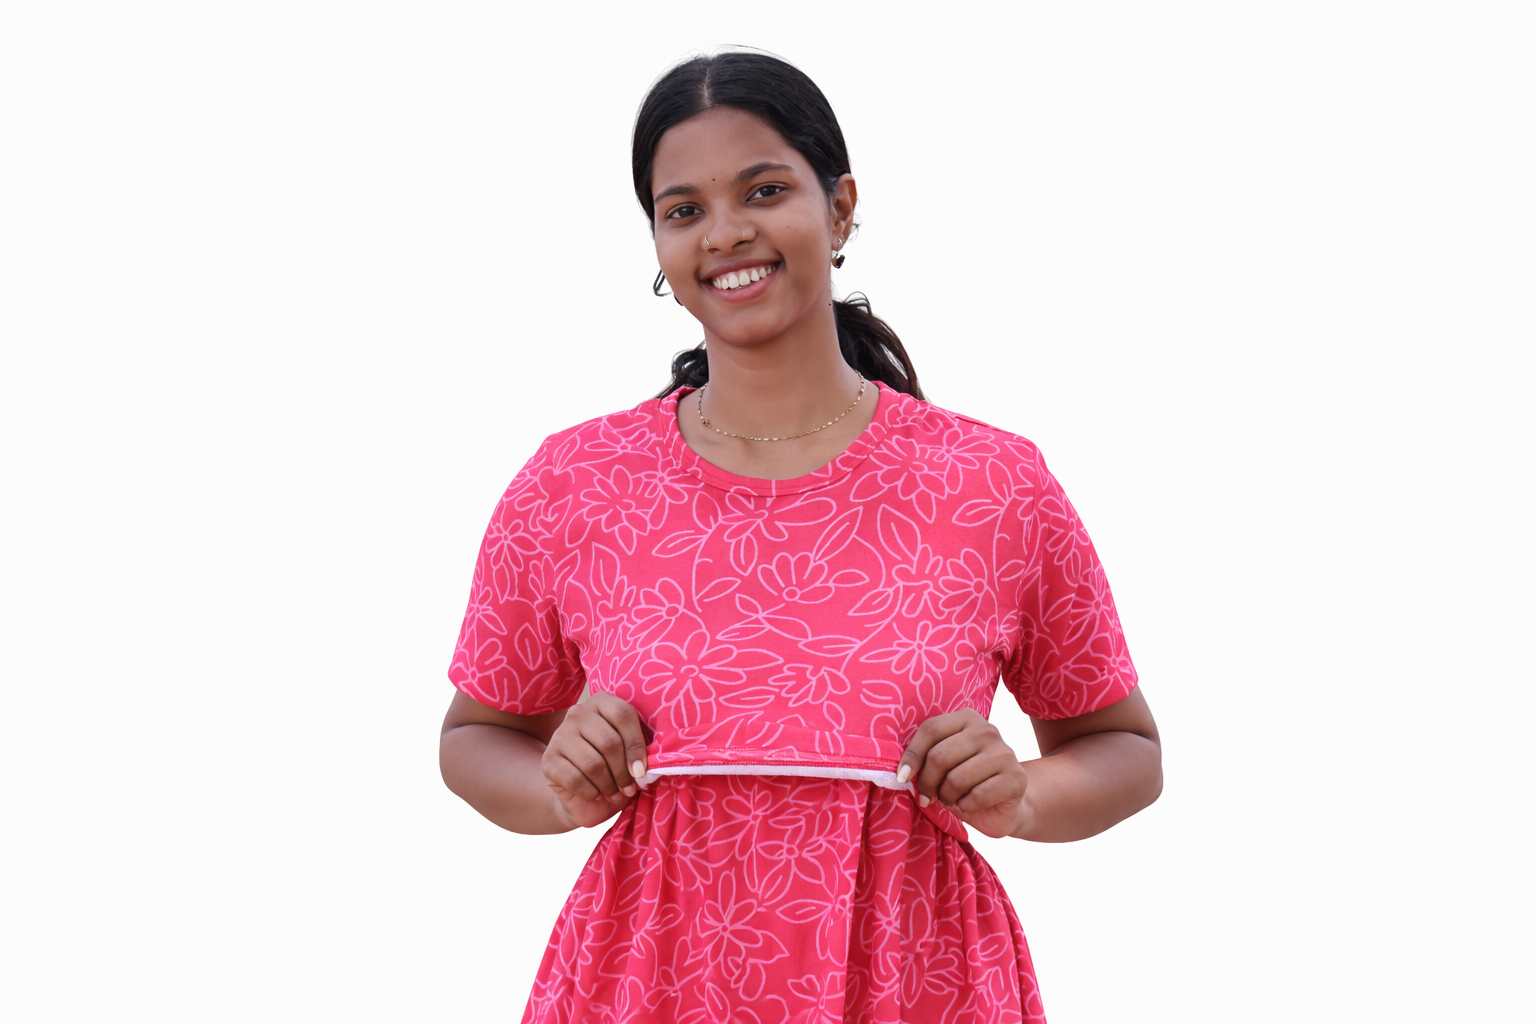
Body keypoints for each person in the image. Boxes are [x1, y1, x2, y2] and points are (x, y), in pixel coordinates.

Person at [440, 50, 1162, 1024]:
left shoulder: (992, 484)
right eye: (683, 209)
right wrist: (557, 791)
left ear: (841, 208)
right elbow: (475, 736)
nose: (725, 233)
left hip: (917, 986)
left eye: (765, 190)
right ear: (656, 241)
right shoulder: (576, 483)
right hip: (649, 987)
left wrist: (1025, 796)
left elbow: (1123, 748)